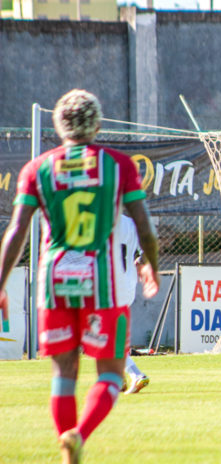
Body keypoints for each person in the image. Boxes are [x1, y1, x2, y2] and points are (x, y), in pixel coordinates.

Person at [0, 89, 160, 464]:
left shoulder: (36, 169)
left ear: (58, 127)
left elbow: (17, 231)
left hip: (54, 281)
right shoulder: (118, 165)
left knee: (63, 372)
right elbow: (145, 227)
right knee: (110, 372)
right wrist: (150, 261)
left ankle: (67, 451)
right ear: (98, 125)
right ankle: (79, 435)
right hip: (101, 282)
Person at [114, 214, 150, 395]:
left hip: (109, 283)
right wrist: (139, 262)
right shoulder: (130, 222)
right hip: (129, 284)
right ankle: (118, 378)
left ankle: (135, 374)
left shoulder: (97, 218)